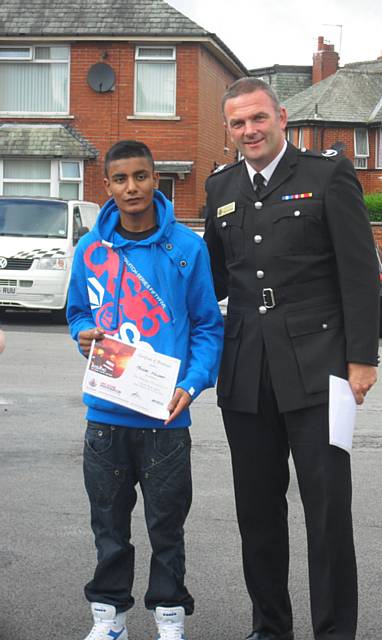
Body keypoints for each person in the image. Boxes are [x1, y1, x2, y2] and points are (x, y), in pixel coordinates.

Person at [203, 78, 380, 640]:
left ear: (281, 116)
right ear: (228, 130)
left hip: (320, 368)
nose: (249, 131)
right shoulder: (220, 187)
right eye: (238, 123)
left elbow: (358, 274)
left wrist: (362, 359)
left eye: (258, 119)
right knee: (257, 513)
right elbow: (208, 279)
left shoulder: (327, 175)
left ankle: (334, 632)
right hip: (246, 371)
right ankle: (270, 627)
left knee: (327, 513)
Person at [67, 140, 223, 640]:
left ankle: (169, 618)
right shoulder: (90, 250)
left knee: (166, 529)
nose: (131, 187)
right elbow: (76, 314)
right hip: (105, 418)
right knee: (108, 529)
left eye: (140, 176)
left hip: (165, 420)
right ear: (106, 186)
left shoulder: (187, 248)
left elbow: (207, 325)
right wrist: (82, 334)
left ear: (157, 180)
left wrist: (194, 383)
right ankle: (109, 621)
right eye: (120, 179)